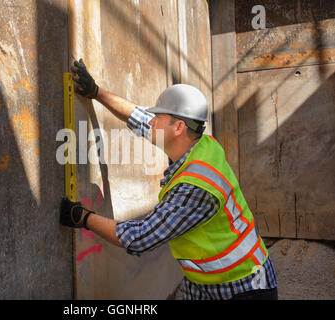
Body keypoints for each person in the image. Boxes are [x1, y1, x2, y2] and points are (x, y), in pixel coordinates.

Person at [60, 59, 278, 300]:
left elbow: (140, 237)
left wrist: (83, 217)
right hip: (205, 282)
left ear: (178, 127)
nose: (151, 121)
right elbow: (140, 117)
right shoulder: (200, 143)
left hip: (242, 287)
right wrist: (96, 92)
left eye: (158, 116)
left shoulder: (196, 186)